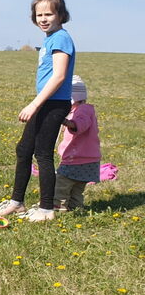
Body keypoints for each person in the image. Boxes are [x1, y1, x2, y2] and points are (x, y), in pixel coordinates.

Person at [0, 0, 76, 222]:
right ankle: (17, 203)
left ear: (61, 15)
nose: (43, 19)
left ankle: (47, 209)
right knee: (24, 150)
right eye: (39, 15)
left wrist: (35, 104)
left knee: (43, 154)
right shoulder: (50, 39)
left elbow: (59, 76)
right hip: (46, 103)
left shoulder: (61, 38)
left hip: (53, 104)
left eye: (49, 14)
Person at [54, 75, 100, 210]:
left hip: (76, 159)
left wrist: (66, 122)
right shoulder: (84, 109)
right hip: (89, 161)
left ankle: (58, 206)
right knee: (77, 188)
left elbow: (81, 124)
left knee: (61, 184)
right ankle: (75, 206)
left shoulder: (83, 110)